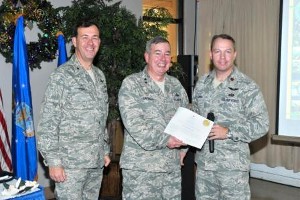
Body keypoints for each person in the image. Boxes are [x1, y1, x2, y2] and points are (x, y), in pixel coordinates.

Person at [37, 19, 110, 200]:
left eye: (95, 38)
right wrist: (53, 162)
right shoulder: (62, 76)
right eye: (84, 37)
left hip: (95, 162)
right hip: (70, 166)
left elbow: (102, 117)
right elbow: (48, 122)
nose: (90, 43)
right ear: (75, 42)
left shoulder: (99, 76)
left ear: (99, 42)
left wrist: (105, 150)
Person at [193, 34, 269, 200]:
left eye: (227, 52)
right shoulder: (201, 84)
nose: (222, 57)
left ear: (234, 54)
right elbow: (195, 119)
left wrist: (229, 132)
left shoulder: (247, 86)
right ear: (211, 55)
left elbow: (262, 124)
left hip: (233, 169)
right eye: (217, 51)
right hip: (205, 166)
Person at [118, 36, 189, 199]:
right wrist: (166, 140)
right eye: (157, 53)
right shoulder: (132, 84)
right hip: (142, 171)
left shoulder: (176, 85)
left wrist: (184, 149)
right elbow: (135, 124)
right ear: (147, 57)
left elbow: (186, 120)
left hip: (171, 169)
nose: (163, 59)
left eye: (167, 54)